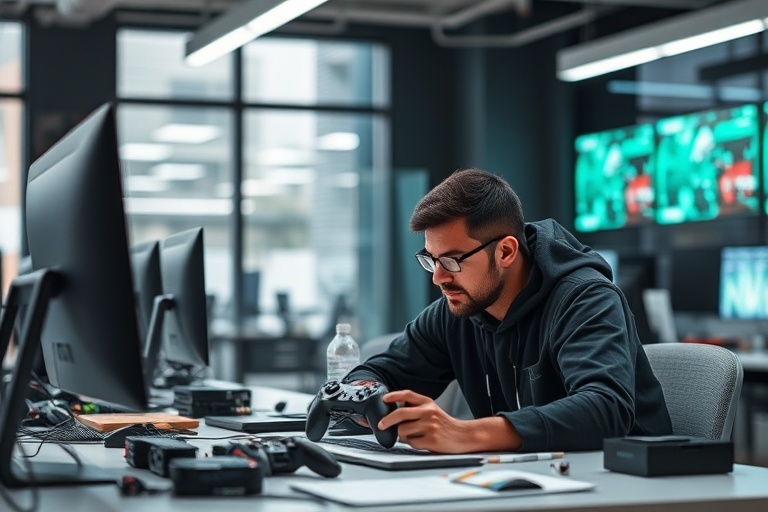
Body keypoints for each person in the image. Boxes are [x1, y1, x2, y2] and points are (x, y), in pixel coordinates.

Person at [342, 167, 672, 454]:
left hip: (620, 486)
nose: (439, 277)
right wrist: (362, 394)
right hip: (532, 481)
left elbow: (605, 409)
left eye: (452, 260)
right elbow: (381, 372)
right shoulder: (459, 309)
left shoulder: (584, 299)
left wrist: (465, 433)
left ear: (506, 251)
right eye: (430, 260)